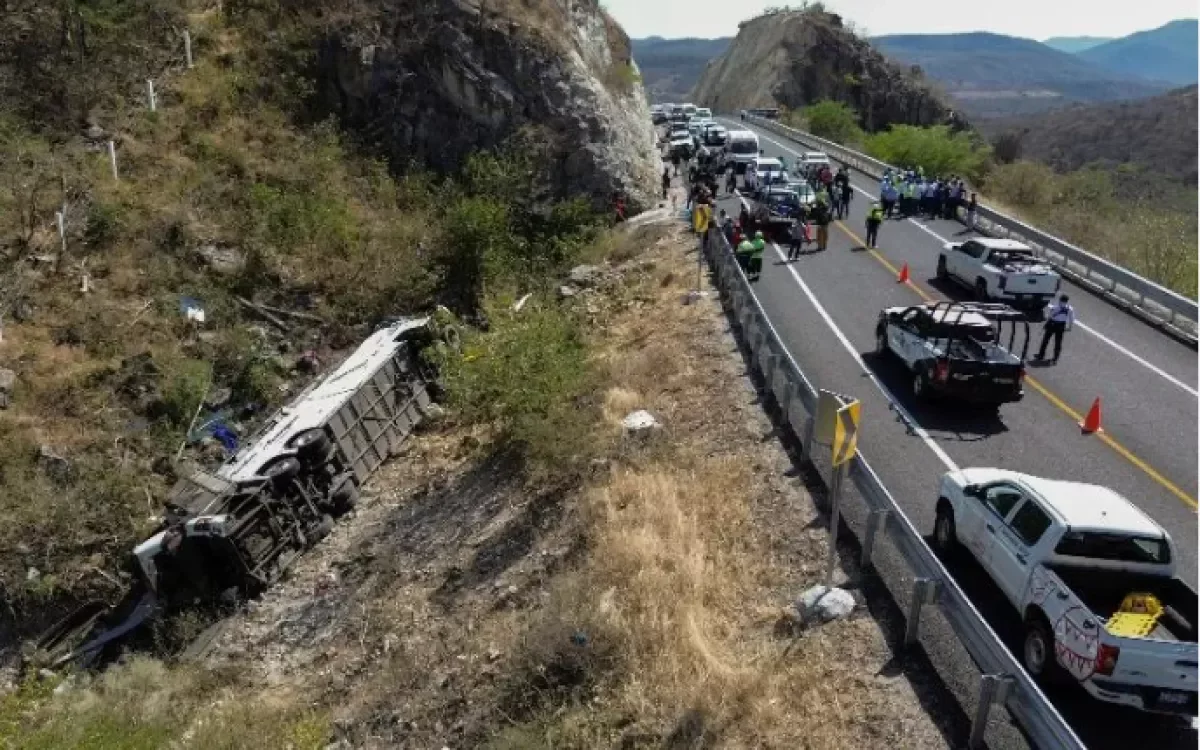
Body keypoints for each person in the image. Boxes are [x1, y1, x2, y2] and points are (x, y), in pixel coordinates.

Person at [1036, 294, 1075, 364]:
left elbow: (1050, 317)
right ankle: (1055, 358)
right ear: (1067, 301)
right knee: (1058, 343)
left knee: (1046, 340)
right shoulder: (1070, 309)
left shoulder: (1055, 307)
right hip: (1061, 326)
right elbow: (1071, 319)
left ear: (1060, 300)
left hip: (1052, 324)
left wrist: (1045, 324)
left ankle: (1041, 355)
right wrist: (1069, 328)